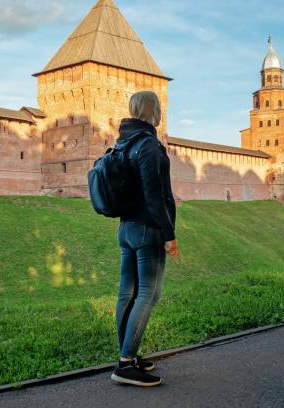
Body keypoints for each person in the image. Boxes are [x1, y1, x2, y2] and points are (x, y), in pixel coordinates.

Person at [110, 91, 179, 387]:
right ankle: (126, 364)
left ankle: (127, 356)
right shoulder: (149, 145)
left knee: (128, 294)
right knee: (149, 294)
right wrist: (169, 235)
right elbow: (155, 196)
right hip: (147, 230)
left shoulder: (123, 142)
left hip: (126, 228)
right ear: (153, 111)